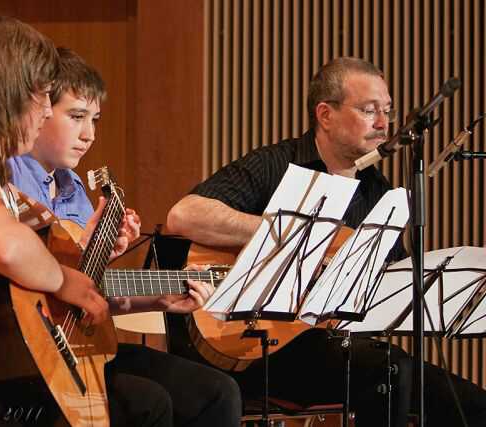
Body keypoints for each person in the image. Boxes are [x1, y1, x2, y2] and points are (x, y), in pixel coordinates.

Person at [0, 14, 240, 427]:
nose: (47, 111)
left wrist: (94, 271)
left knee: (142, 402)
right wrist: (65, 279)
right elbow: (7, 248)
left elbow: (20, 288)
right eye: (43, 97)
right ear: (8, 94)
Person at [166, 57, 486, 426]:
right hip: (257, 343)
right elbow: (184, 215)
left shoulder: (376, 191)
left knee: (472, 405)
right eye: (369, 110)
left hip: (334, 346)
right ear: (325, 115)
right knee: (389, 371)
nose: (383, 123)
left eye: (387, 111)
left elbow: (388, 282)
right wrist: (293, 236)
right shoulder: (276, 164)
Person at [7, 47, 241, 427]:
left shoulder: (73, 189)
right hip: (27, 352)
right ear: (40, 110)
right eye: (76, 117)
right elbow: (18, 290)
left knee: (218, 392)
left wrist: (159, 298)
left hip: (77, 344)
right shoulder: (9, 178)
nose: (89, 135)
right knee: (147, 403)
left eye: (95, 120)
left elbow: (87, 296)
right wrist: (84, 249)